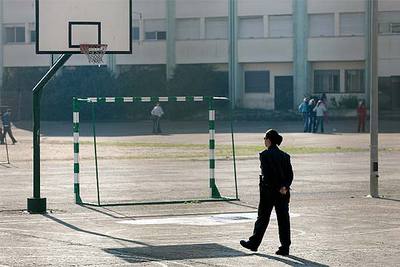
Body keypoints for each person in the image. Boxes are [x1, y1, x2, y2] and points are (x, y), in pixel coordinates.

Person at [240, 129, 294, 256]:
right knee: (283, 220)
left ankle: (254, 243)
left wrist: (276, 187)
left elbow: (268, 176)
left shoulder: (264, 155)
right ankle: (285, 247)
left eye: (264, 138)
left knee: (263, 218)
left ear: (269, 140)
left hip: (268, 192)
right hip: (283, 192)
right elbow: (290, 175)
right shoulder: (285, 156)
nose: (264, 140)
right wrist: (284, 187)